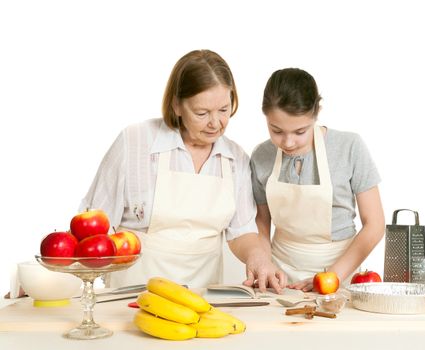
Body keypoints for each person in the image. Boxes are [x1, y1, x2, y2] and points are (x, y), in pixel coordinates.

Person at [81, 49, 286, 291]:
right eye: (202, 113)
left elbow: (241, 231)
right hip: (131, 293)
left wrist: (258, 258)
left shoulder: (236, 159)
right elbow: (92, 224)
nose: (215, 123)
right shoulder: (135, 142)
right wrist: (57, 279)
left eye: (223, 109)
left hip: (202, 298)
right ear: (177, 105)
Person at [250, 68, 385, 291]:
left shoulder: (349, 147)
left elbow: (375, 224)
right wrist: (266, 265)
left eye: (300, 131)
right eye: (276, 130)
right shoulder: (261, 156)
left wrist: (331, 277)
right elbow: (261, 224)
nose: (288, 142)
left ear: (317, 112)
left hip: (341, 272)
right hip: (280, 276)